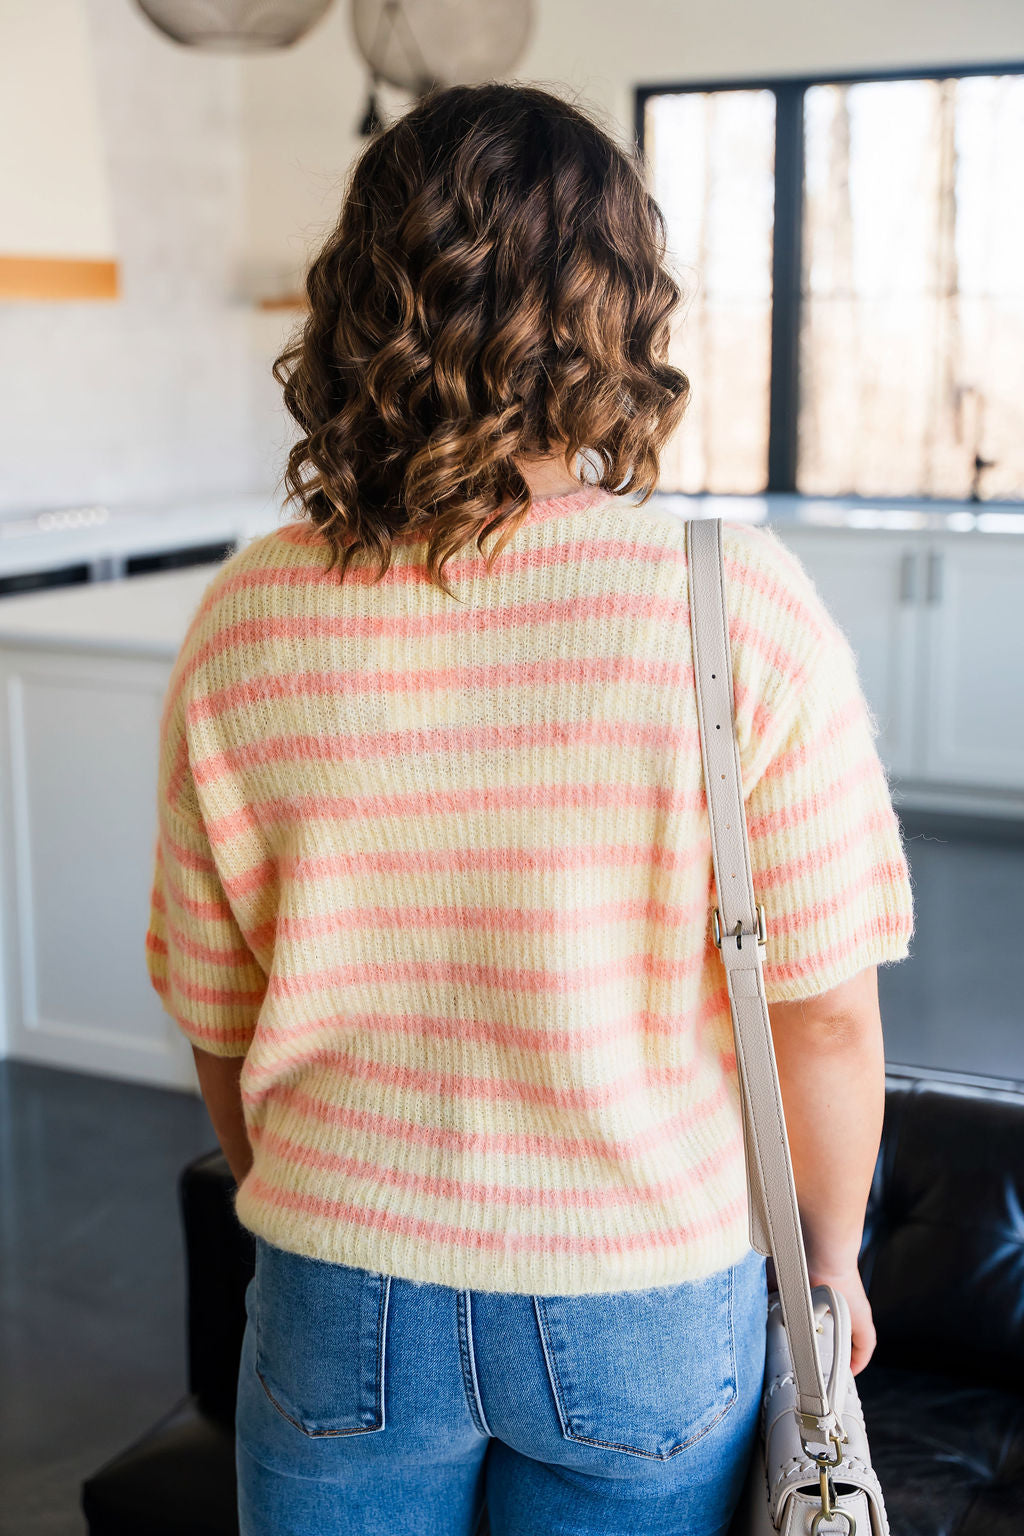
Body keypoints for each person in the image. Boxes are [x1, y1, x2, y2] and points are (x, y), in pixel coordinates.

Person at [145, 80, 914, 1536]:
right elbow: (821, 1008)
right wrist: (828, 1260)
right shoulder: (728, 602)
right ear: (615, 313)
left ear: (365, 301)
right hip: (645, 1294)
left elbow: (219, 1011)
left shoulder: (246, 619)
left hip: (335, 1286)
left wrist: (329, 1213)